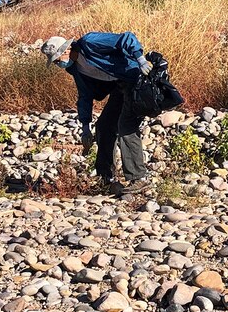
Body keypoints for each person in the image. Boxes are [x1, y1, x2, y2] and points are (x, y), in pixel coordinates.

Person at [41, 31, 153, 192]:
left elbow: (127, 38)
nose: (58, 64)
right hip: (119, 88)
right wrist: (85, 126)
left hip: (135, 80)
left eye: (57, 60)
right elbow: (84, 96)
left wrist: (140, 59)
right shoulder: (75, 69)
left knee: (125, 127)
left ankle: (139, 178)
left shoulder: (89, 42)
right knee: (104, 127)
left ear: (65, 50)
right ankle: (106, 178)